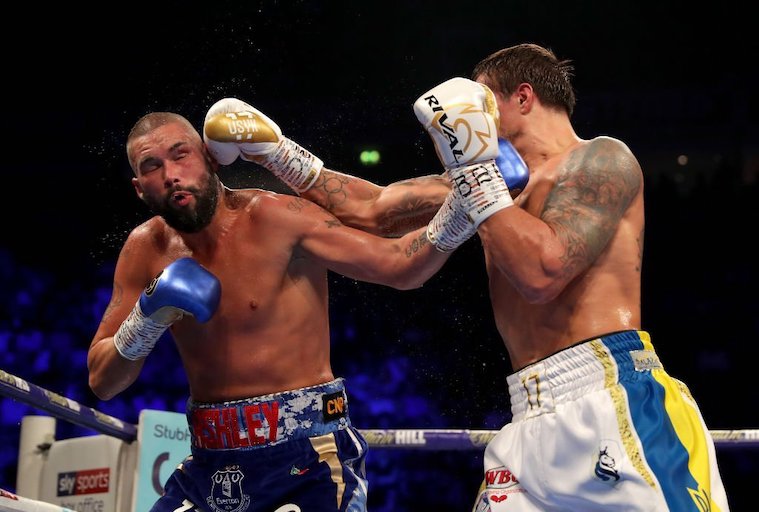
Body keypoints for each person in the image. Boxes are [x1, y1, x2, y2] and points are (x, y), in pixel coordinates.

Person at [207, 43, 730, 511]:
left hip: (617, 401)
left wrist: (475, 175)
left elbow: (542, 273)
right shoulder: (486, 182)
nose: (466, 125)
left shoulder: (601, 160)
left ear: (522, 97)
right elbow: (376, 210)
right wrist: (275, 149)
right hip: (528, 414)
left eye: (481, 104)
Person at [86, 108, 511, 511]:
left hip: (308, 454)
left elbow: (399, 265)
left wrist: (470, 201)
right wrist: (147, 317)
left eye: (181, 155)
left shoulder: (276, 217)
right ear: (140, 188)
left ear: (211, 159)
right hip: (209, 463)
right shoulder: (144, 250)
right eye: (152, 166)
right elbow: (102, 381)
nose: (172, 174)